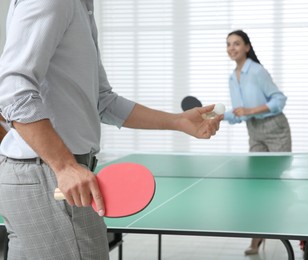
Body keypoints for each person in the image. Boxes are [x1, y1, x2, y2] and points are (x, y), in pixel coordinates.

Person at [0, 1, 223, 259]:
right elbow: (13, 90)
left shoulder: (81, 8)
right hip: (51, 177)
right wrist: (64, 166)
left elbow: (102, 100)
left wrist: (178, 121)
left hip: (47, 174)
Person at [223, 30, 292, 255]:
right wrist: (217, 116)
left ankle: (282, 227)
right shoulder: (233, 77)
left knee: (274, 184)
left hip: (275, 128)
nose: (232, 48)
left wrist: (251, 109)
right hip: (254, 131)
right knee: (257, 185)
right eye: (228, 44)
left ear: (247, 47)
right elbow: (239, 114)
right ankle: (256, 239)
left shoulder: (257, 71)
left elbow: (279, 99)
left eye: (236, 44)